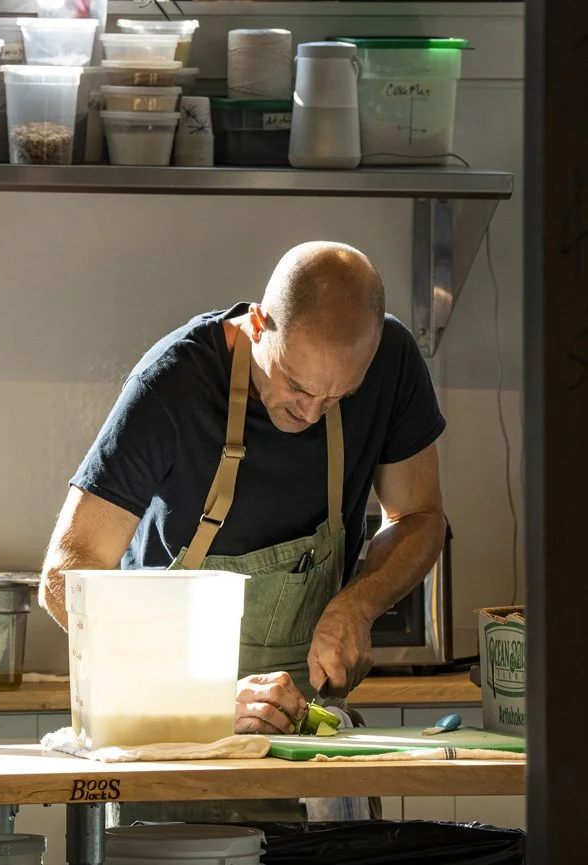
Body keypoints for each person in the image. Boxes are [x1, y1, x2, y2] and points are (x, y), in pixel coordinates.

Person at [40, 242, 447, 820]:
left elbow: (421, 518)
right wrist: (199, 698)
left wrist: (359, 604)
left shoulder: (393, 360)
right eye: (299, 387)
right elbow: (65, 577)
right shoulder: (171, 383)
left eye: (339, 397)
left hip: (306, 745)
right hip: (174, 743)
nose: (312, 413)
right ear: (258, 325)